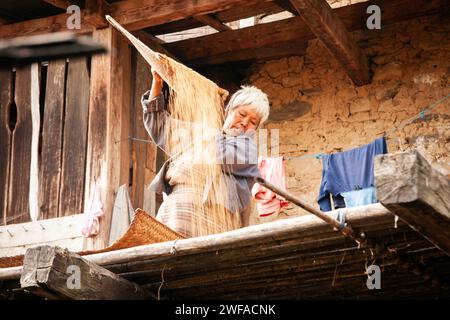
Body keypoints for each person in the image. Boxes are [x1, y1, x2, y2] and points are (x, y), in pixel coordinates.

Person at [141, 68, 270, 237]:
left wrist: (207, 113)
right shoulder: (199, 133)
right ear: (228, 111)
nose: (245, 122)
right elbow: (158, 125)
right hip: (173, 218)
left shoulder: (247, 149)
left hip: (214, 226)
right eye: (242, 114)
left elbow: (221, 155)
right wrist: (157, 82)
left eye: (253, 121)